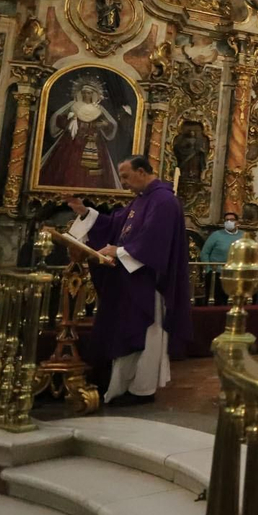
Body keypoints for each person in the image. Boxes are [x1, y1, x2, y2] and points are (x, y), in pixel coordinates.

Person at [67, 156, 191, 405]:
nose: (123, 183)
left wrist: (120, 252)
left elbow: (155, 242)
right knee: (126, 329)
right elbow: (115, 224)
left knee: (145, 334)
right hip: (129, 280)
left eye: (125, 176)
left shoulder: (164, 201)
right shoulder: (143, 199)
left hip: (147, 283)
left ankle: (141, 390)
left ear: (143, 172)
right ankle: (122, 385)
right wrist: (85, 212)